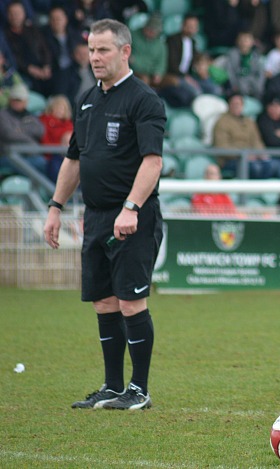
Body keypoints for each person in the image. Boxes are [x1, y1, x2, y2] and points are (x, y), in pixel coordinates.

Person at [42, 18, 166, 411]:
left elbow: (153, 161)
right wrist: (55, 207)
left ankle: (139, 390)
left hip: (132, 217)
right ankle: (113, 387)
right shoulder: (86, 99)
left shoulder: (144, 99)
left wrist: (131, 207)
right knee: (104, 302)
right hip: (94, 217)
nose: (95, 57)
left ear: (125, 51)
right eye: (92, 50)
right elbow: (74, 160)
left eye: (103, 50)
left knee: (131, 302)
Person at [0, 82, 46, 175]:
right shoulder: (3, 114)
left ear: (26, 101)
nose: (16, 102)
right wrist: (30, 140)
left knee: (42, 162)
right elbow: (8, 134)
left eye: (19, 100)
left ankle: (40, 189)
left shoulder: (31, 116)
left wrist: (19, 130)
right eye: (15, 99)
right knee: (28, 166)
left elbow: (40, 130)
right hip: (8, 155)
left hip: (29, 155)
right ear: (10, 99)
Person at [39, 94, 74, 182]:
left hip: (67, 157)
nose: (60, 111)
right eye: (57, 107)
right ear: (51, 108)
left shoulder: (69, 125)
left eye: (62, 108)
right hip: (51, 156)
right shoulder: (44, 122)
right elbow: (44, 141)